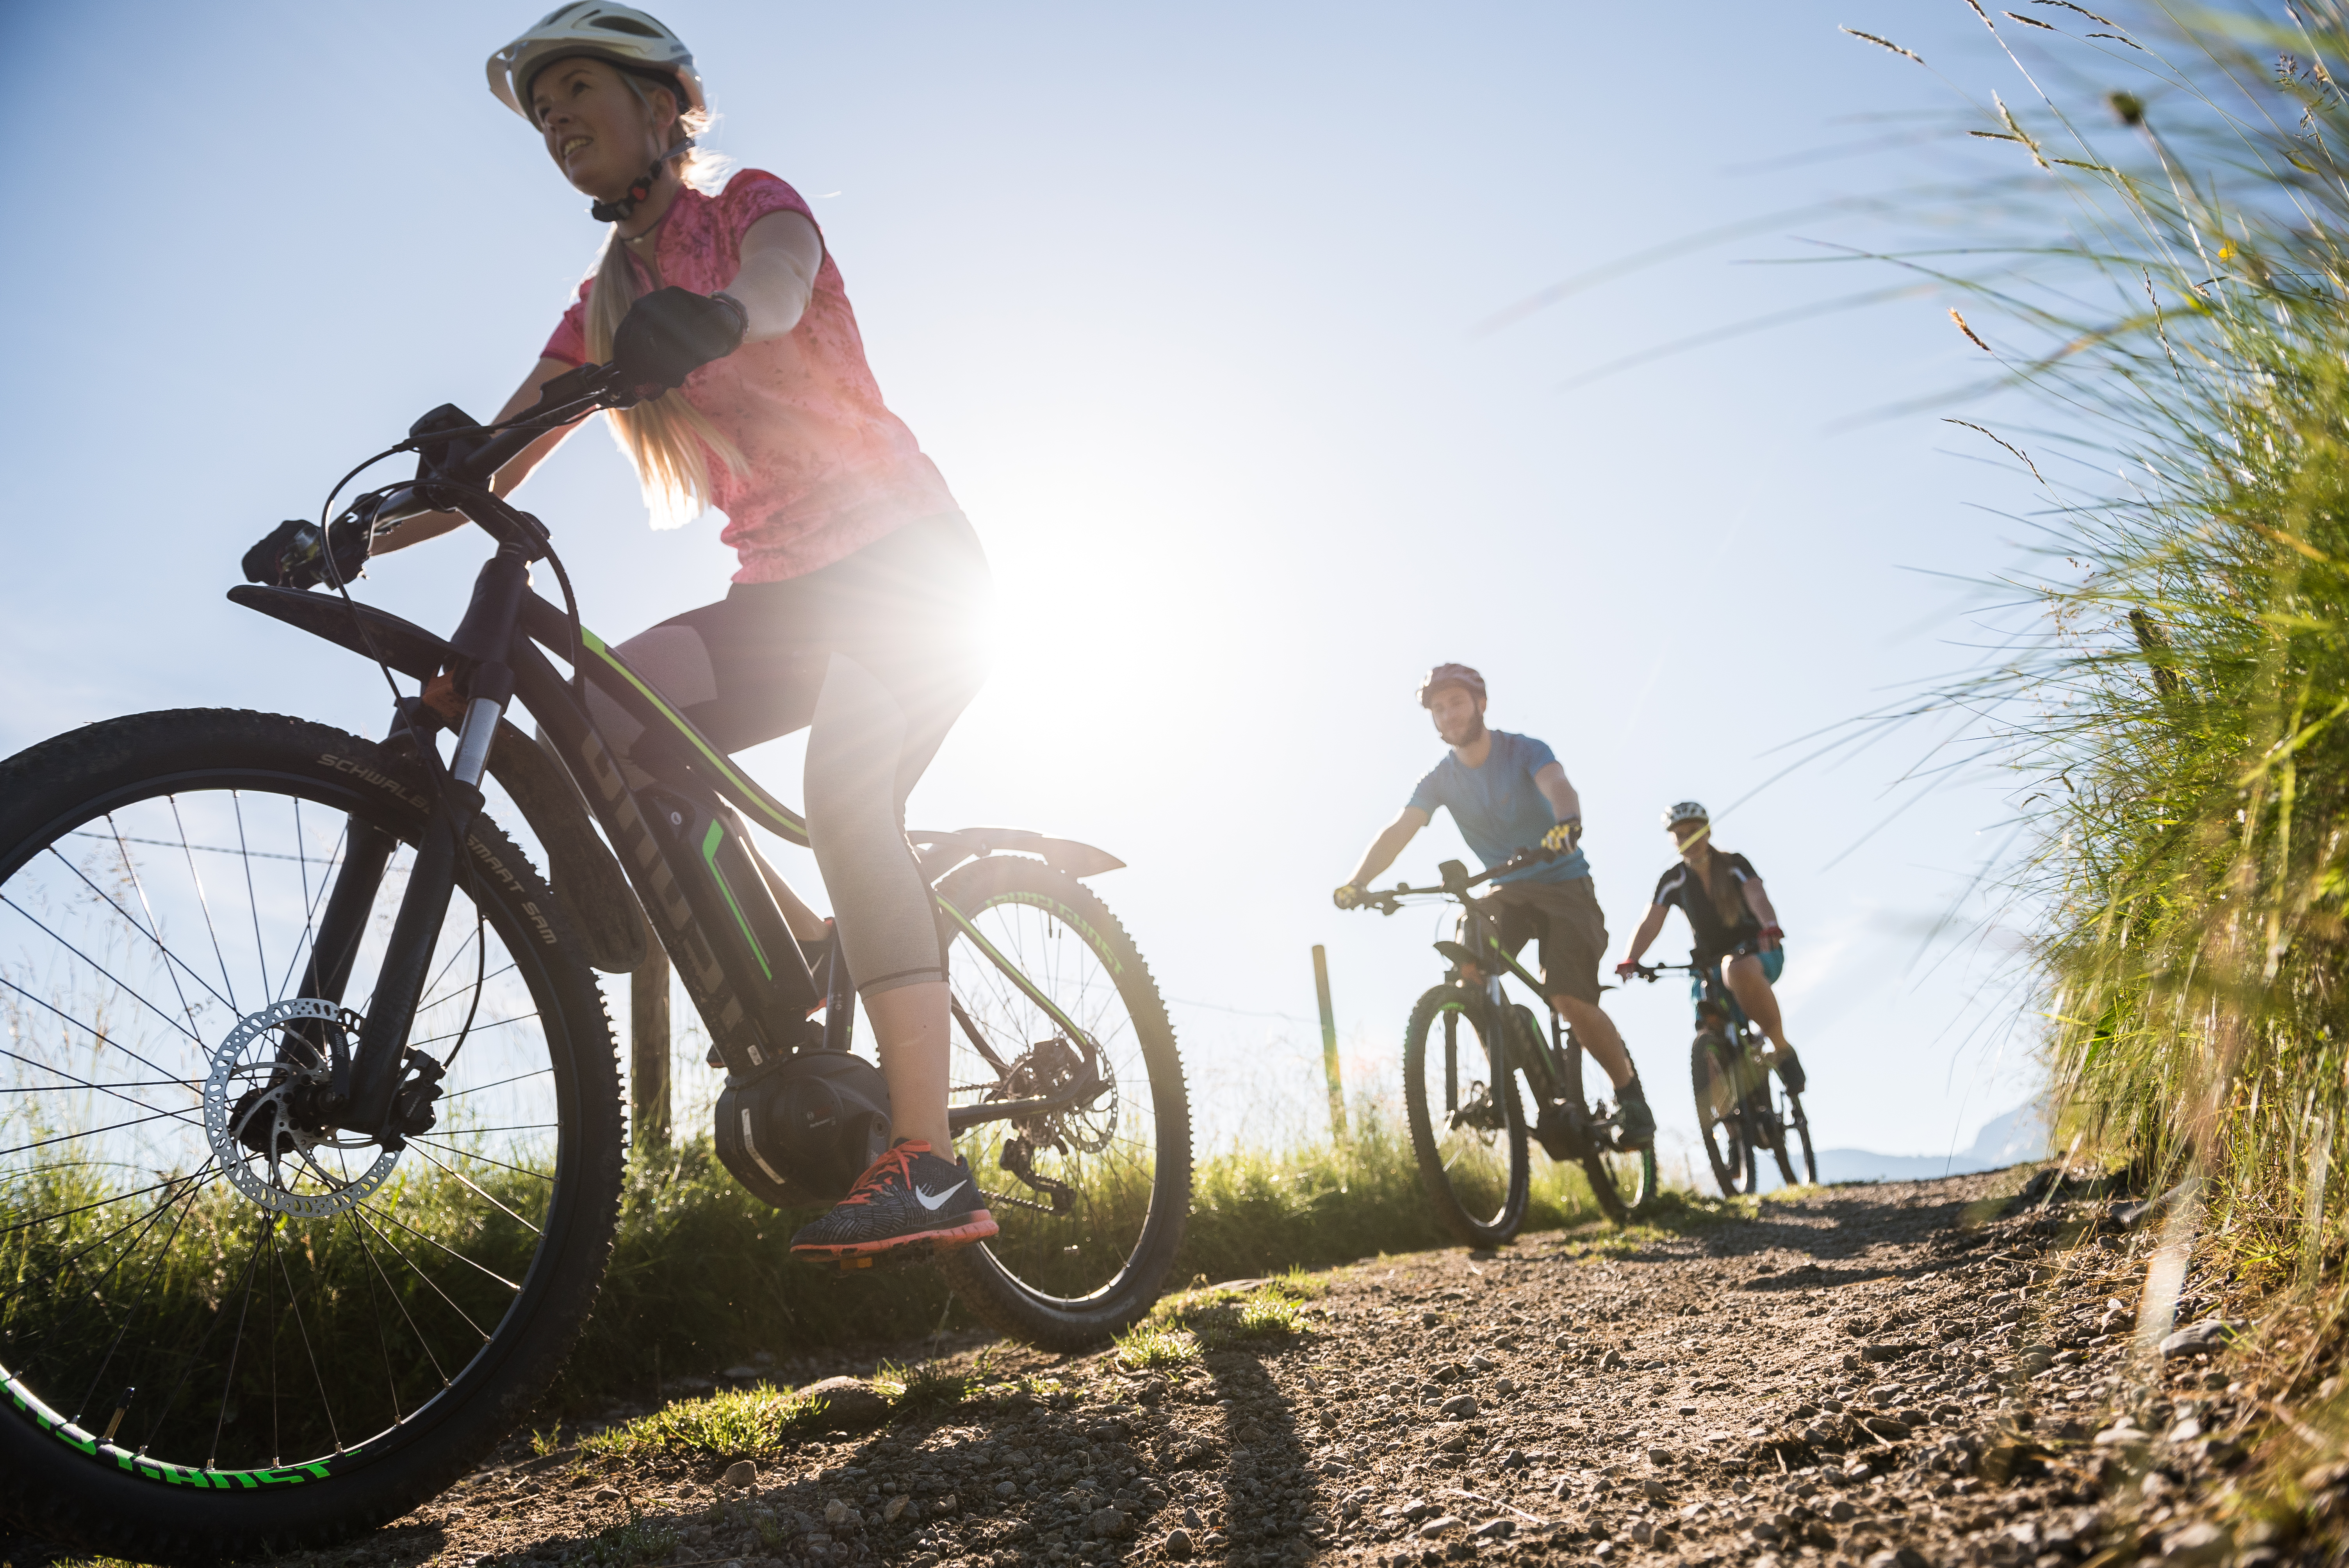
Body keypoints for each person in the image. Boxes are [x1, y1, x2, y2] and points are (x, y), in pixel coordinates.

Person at [371, 5, 995, 1262]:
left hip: (906, 568)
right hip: (778, 596)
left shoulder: (750, 204)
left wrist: (715, 319)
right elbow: (492, 462)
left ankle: (927, 1163)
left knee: (842, 799)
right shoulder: (600, 302)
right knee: (608, 715)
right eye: (541, 114)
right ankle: (810, 943)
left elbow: (775, 287)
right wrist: (351, 531)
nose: (555, 123)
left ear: (663, 108)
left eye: (578, 93)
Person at [1333, 664, 1655, 1147]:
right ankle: (1505, 1083)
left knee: (1568, 997)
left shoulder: (1524, 750)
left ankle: (1631, 1097)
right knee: (1470, 958)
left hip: (1564, 885)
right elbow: (1401, 828)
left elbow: (1558, 784)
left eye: (1456, 702)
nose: (1448, 714)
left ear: (1480, 704)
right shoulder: (1439, 779)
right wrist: (1358, 883)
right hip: (1506, 891)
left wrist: (1567, 823)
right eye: (1438, 709)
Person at [1615, 802, 1805, 1093]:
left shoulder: (1734, 865)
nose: (1688, 840)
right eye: (1680, 835)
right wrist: (1631, 958)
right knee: (1706, 1026)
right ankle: (1729, 1131)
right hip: (1709, 966)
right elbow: (1651, 922)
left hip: (1756, 951)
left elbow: (1756, 894)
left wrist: (1769, 925)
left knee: (1737, 969)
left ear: (1708, 831)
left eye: (1694, 832)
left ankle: (1781, 1050)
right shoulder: (1674, 879)